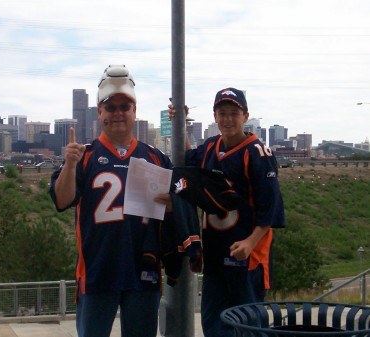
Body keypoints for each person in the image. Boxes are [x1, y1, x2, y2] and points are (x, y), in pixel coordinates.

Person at [50, 65, 173, 337]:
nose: (118, 113)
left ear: (134, 111)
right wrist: (70, 165)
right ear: (99, 112)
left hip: (143, 270)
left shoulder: (156, 158)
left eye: (124, 107)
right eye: (111, 107)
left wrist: (172, 204)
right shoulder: (84, 155)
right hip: (98, 271)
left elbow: (178, 207)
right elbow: (61, 200)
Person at [168, 88, 285, 337]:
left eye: (234, 113)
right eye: (222, 113)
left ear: (245, 116)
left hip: (247, 257)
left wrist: (251, 242)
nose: (228, 119)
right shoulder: (211, 146)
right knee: (214, 324)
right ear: (215, 116)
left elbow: (270, 209)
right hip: (216, 253)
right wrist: (178, 123)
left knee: (250, 325)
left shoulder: (258, 153)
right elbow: (188, 164)